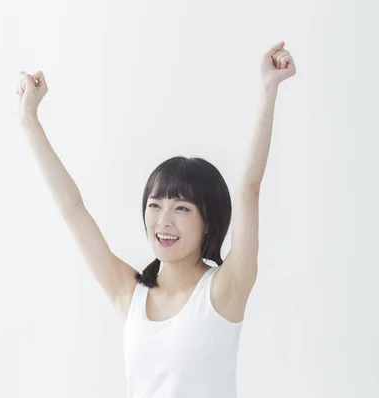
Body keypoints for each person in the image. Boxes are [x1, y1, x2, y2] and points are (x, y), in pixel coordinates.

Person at [16, 41, 296, 398]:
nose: (164, 220)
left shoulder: (224, 291)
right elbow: (73, 210)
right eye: (155, 205)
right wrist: (29, 120)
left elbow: (248, 189)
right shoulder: (129, 293)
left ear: (208, 221)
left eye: (181, 208)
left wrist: (268, 89)